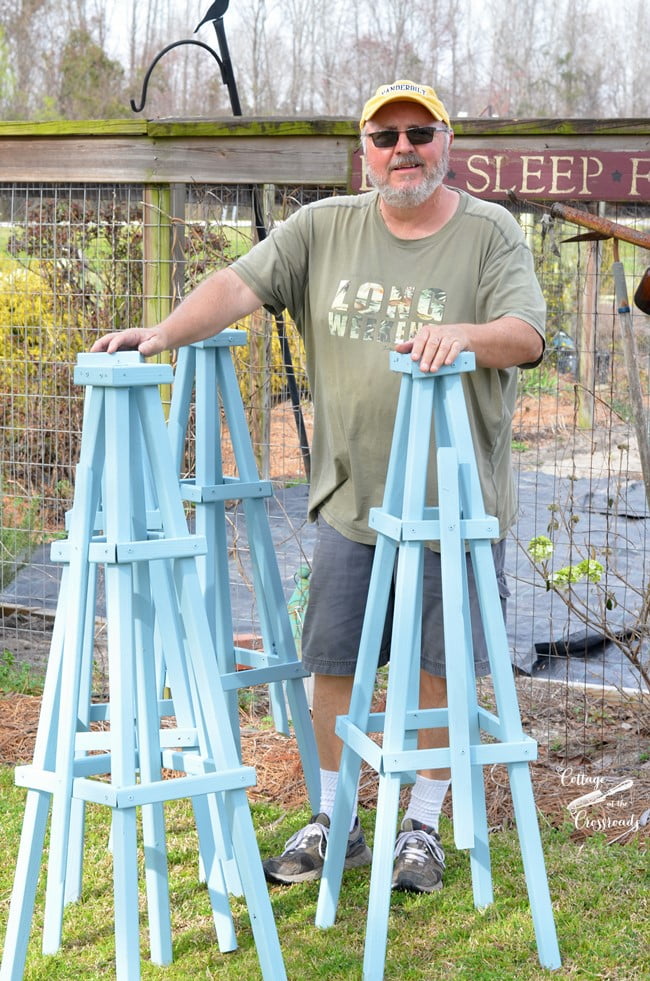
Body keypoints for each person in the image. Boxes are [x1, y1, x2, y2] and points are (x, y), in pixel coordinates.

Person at [92, 79, 545, 895]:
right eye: (385, 137)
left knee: (438, 667)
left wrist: (461, 335)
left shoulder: (491, 233)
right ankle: (336, 815)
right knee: (331, 660)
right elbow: (236, 285)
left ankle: (422, 825)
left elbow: (527, 335)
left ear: (446, 141)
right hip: (350, 495)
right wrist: (160, 333)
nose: (402, 149)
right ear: (362, 152)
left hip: (454, 502)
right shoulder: (321, 228)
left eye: (418, 132)